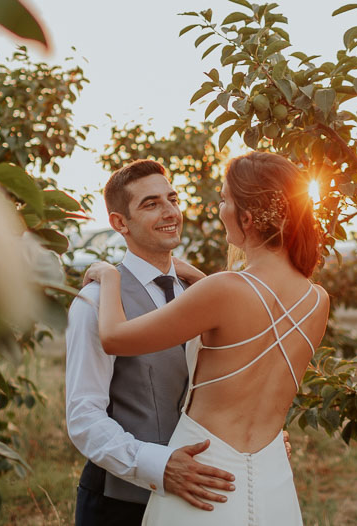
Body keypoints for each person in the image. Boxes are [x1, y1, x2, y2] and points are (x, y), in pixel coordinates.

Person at [84, 151, 331, 525]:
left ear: (246, 217)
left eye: (224, 200)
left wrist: (109, 275)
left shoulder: (223, 291)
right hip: (272, 479)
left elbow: (114, 337)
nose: (219, 209)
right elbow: (252, 327)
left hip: (204, 479)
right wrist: (201, 279)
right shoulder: (317, 299)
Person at [65, 159, 237, 526]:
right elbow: (83, 417)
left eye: (172, 198)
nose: (170, 211)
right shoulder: (95, 302)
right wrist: (157, 466)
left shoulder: (200, 291)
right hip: (120, 503)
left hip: (201, 498)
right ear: (119, 223)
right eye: (151, 204)